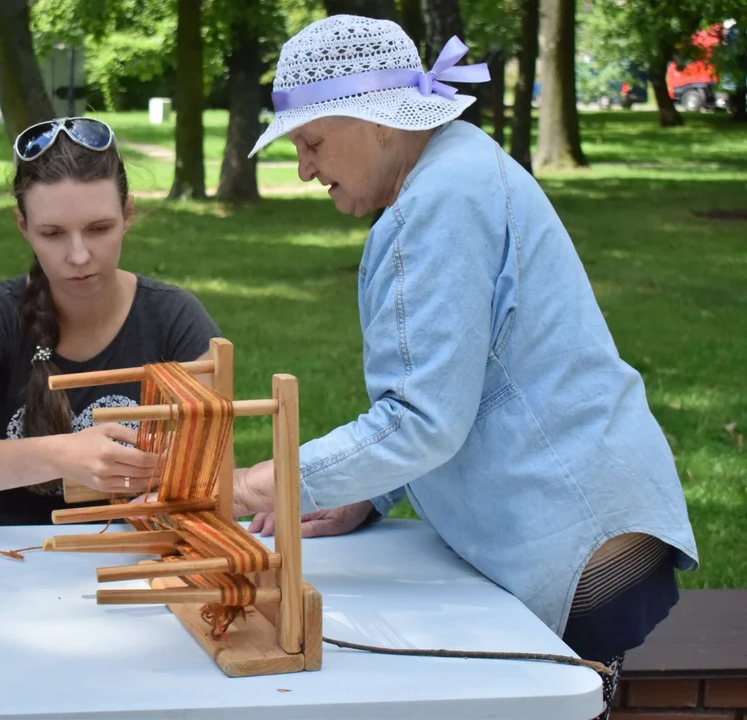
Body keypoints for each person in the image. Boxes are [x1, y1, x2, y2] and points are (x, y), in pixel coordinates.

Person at [231, 15, 698, 719]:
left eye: (312, 142)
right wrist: (369, 494)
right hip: (596, 522)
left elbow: (421, 421)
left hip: (576, 547)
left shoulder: (437, 201)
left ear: (379, 122)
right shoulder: (457, 165)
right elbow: (458, 380)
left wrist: (258, 483)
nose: (304, 168)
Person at [0, 117, 222, 526]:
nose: (78, 256)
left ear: (128, 214)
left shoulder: (176, 319)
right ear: (23, 226)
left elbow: (215, 477)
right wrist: (65, 455)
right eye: (53, 234)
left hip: (137, 558)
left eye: (99, 228)